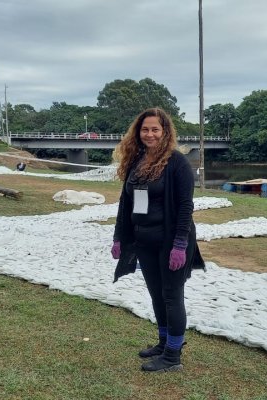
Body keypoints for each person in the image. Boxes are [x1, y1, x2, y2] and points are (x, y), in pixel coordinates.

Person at [111, 107, 205, 372]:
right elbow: (125, 202)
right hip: (144, 241)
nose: (149, 134)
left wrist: (179, 245)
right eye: (145, 129)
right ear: (138, 132)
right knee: (156, 294)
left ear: (165, 132)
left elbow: (186, 206)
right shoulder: (135, 162)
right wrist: (120, 236)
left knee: (172, 295)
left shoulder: (177, 163)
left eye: (155, 129)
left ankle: (173, 356)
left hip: (171, 241)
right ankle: (164, 343)